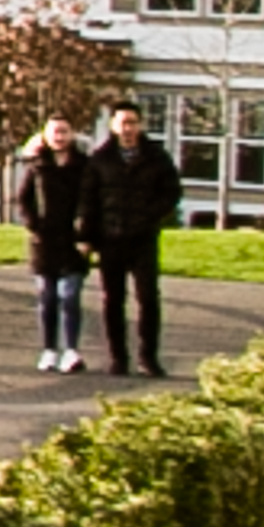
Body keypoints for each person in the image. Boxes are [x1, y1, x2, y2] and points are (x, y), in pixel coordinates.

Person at [92, 98, 175, 379]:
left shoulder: (157, 157)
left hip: (143, 237)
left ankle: (148, 357)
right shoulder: (101, 160)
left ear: (140, 126)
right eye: (123, 123)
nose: (128, 129)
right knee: (113, 300)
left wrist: (152, 217)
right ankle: (118, 358)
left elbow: (171, 192)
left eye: (133, 123)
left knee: (148, 298)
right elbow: (88, 200)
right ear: (113, 126)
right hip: (110, 238)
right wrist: (88, 236)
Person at [18, 120, 94, 372]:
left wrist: (85, 235)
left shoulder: (84, 167)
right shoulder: (38, 166)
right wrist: (34, 225)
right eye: (54, 132)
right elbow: (23, 199)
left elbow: (91, 201)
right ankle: (49, 349)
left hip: (73, 242)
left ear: (72, 135)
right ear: (45, 136)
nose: (59, 137)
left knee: (70, 295)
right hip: (44, 242)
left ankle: (71, 350)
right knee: (47, 297)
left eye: (64, 132)